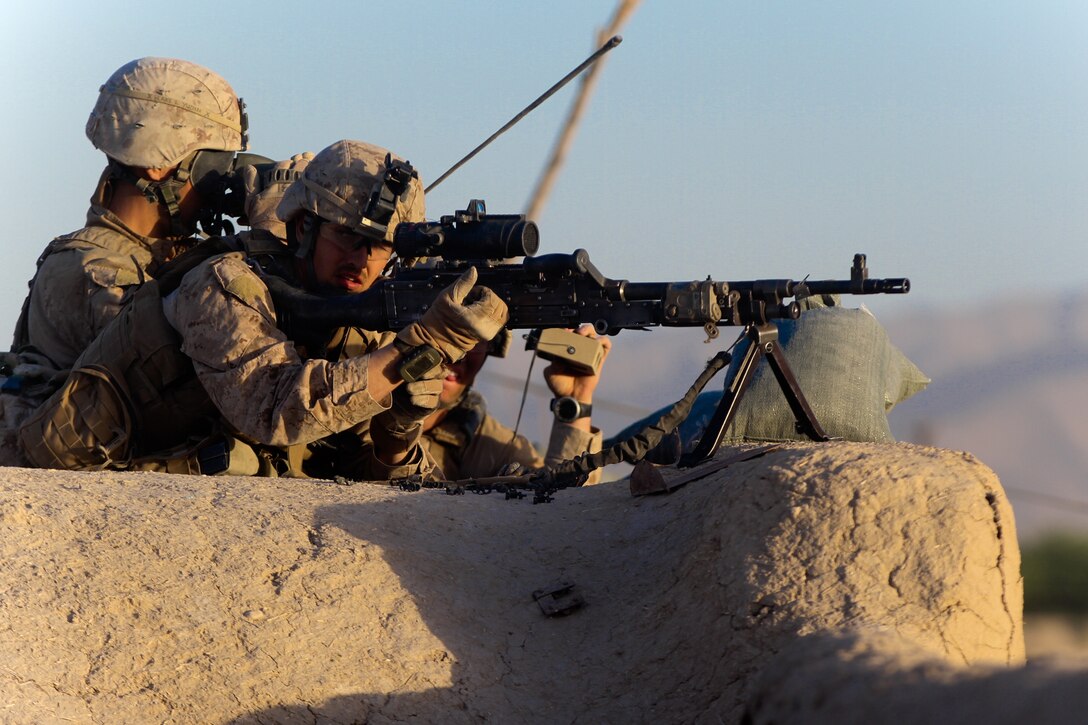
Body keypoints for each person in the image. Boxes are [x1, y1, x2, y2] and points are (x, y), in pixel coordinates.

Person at [17, 140, 509, 482]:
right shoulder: (225, 281)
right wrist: (415, 349)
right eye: (346, 236)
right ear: (303, 228)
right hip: (72, 478)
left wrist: (397, 434)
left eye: (380, 247)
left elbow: (371, 481)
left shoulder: (361, 317)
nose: (361, 260)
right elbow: (275, 411)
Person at [11, 57, 251, 374]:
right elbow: (212, 355)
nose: (222, 178)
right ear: (158, 165)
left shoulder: (169, 257)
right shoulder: (89, 270)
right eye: (214, 164)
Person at [420, 325, 611, 482]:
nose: (458, 355)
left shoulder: (494, 448)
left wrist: (576, 398)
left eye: (475, 339)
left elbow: (567, 506)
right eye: (444, 333)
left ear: (490, 348)